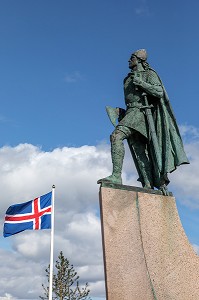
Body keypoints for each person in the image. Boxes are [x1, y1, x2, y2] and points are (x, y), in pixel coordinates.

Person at [97, 49, 189, 194]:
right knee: (139, 150)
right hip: (131, 113)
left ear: (139, 60)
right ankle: (147, 183)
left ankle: (116, 176)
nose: (128, 61)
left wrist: (142, 83)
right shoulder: (127, 79)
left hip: (142, 113)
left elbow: (159, 92)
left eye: (131, 58)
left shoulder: (149, 74)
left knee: (116, 136)